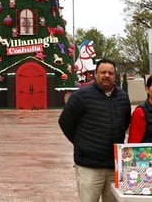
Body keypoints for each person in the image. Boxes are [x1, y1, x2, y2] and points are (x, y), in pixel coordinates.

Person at [58, 59, 131, 202]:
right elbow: (65, 122)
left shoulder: (123, 97)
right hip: (89, 166)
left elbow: (125, 122)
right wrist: (81, 143)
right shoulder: (81, 96)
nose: (107, 75)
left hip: (114, 167)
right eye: (103, 72)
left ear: (115, 76)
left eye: (110, 73)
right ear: (95, 74)